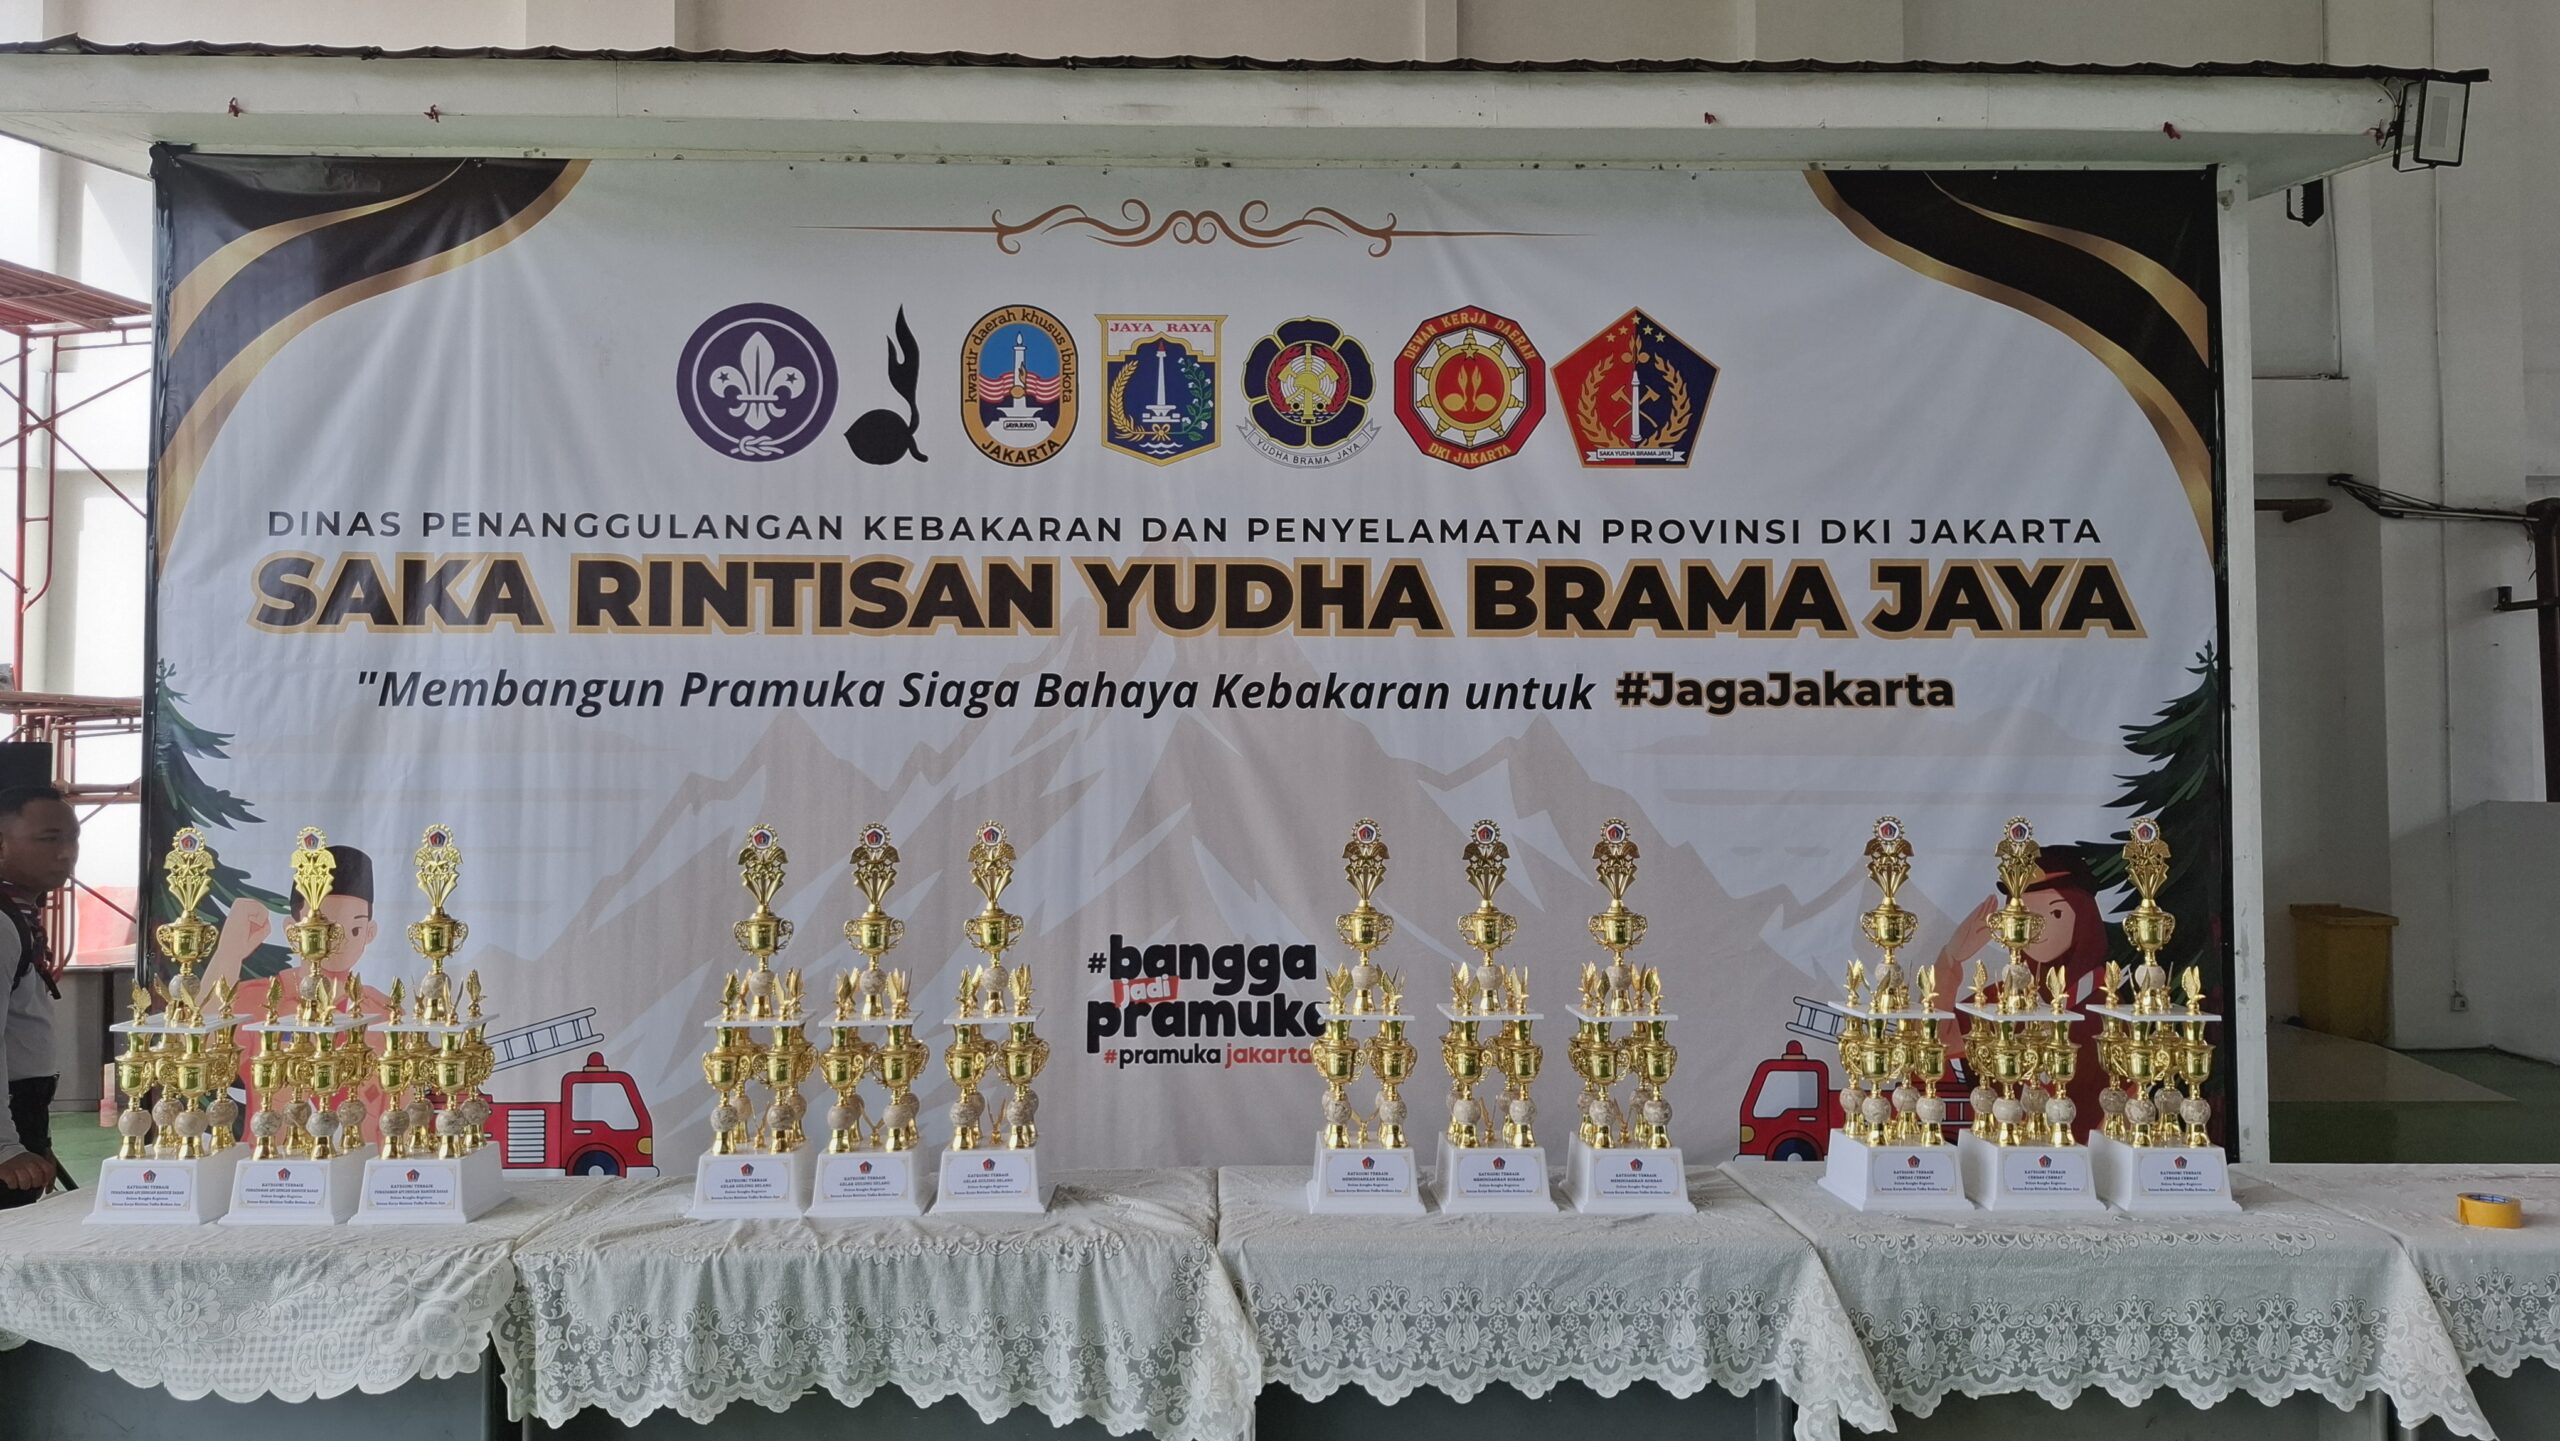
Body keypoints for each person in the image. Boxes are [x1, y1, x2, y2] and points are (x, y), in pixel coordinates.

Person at [196, 845, 394, 1141]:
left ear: (369, 933)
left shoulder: (384, 1013)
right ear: (293, 931)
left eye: (354, 929)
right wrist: (229, 953)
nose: (337, 941)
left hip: (362, 1161)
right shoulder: (260, 1001)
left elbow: (399, 1111)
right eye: (322, 928)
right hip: (273, 1163)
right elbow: (199, 1054)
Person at [1929, 844, 2111, 1138]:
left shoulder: (2106, 1002)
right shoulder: (2000, 999)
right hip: (2006, 1145)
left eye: (2055, 913)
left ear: (2084, 919)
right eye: (2024, 916)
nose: (2036, 929)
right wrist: (1950, 960)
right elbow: (1937, 1044)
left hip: (2082, 1153)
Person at [0, 786, 79, 1207]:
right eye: (49, 839)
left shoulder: (19, 916)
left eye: (72, 839)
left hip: (24, 1112)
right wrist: (5, 1147)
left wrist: (34, 1138)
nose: (66, 853)